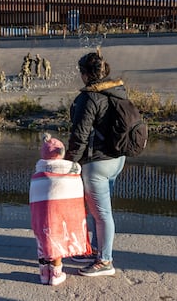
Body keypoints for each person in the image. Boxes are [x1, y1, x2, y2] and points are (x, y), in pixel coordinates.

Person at [65, 48, 126, 277]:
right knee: (99, 211)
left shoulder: (89, 97)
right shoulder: (117, 91)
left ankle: (105, 261)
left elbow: (79, 135)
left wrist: (69, 162)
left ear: (85, 74)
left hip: (97, 163)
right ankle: (97, 251)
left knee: (101, 214)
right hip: (117, 159)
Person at [29, 133, 91, 286]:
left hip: (41, 213)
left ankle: (44, 274)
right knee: (57, 237)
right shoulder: (72, 170)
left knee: (43, 238)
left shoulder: (37, 174)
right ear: (62, 153)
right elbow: (76, 192)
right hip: (61, 213)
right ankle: (56, 273)